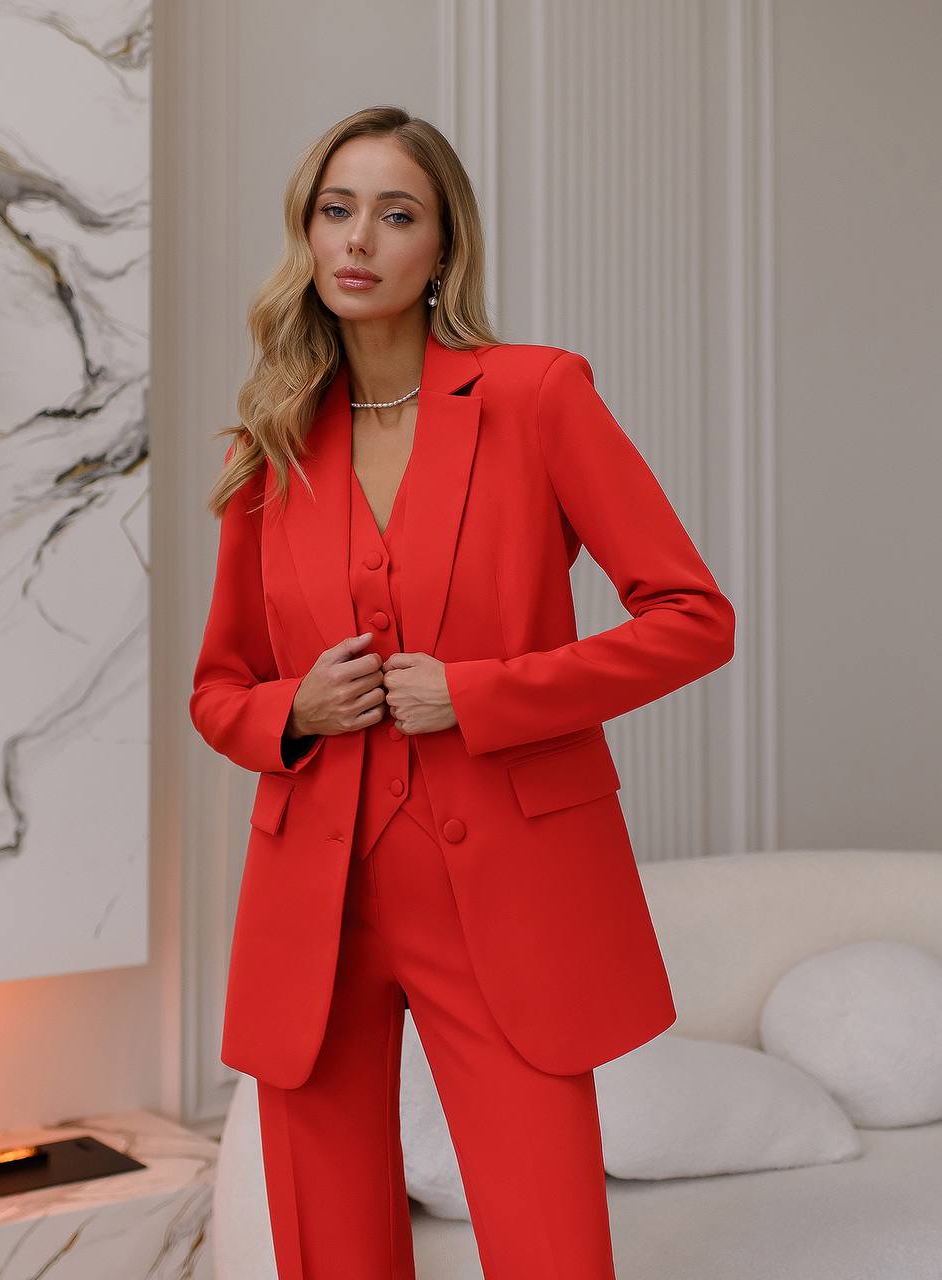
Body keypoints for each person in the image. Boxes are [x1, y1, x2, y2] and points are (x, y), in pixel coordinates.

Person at [189, 104, 735, 1280]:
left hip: (504, 884)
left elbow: (693, 619)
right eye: (337, 211)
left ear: (443, 248)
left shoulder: (536, 398)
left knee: (547, 1245)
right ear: (306, 231)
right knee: (331, 1250)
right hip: (315, 900)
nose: (360, 240)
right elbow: (219, 688)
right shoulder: (270, 445)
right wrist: (294, 711)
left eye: (397, 214)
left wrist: (482, 693)